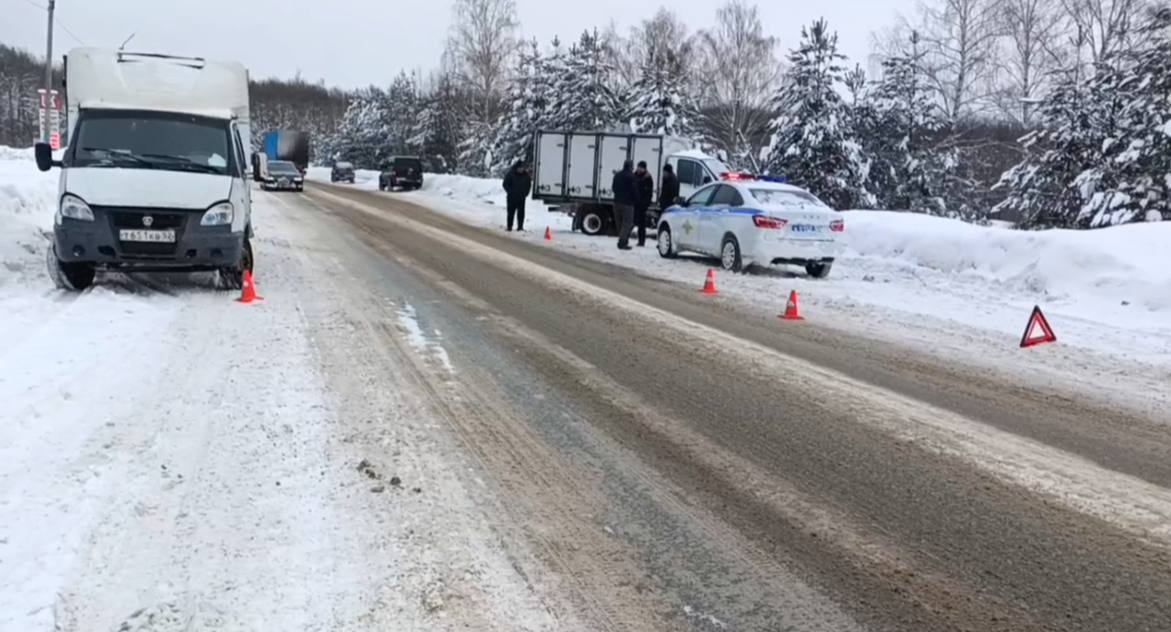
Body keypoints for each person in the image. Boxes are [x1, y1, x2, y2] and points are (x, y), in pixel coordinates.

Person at [502, 161, 532, 231]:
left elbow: (528, 185)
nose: (521, 170)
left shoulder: (526, 176)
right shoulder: (510, 174)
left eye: (522, 168)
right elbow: (505, 184)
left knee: (521, 213)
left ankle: (520, 226)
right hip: (511, 198)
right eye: (520, 168)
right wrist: (510, 192)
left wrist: (526, 193)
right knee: (511, 213)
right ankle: (509, 226)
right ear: (516, 168)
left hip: (521, 197)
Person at [612, 159, 636, 250]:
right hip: (628, 204)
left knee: (619, 223)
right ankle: (622, 242)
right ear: (630, 166)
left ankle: (623, 239)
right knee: (627, 223)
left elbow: (614, 188)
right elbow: (634, 191)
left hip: (617, 202)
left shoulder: (617, 175)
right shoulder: (631, 177)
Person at [633, 161, 655, 247]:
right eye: (638, 167)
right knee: (631, 221)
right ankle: (624, 238)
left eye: (640, 167)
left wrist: (645, 203)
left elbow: (649, 193)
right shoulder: (634, 175)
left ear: (644, 168)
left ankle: (641, 241)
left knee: (641, 224)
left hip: (642, 205)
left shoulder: (647, 178)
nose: (638, 169)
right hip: (634, 202)